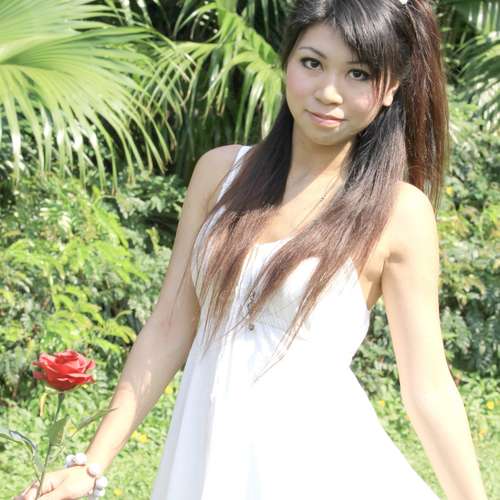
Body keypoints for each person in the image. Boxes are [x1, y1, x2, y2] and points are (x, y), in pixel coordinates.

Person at [16, 0, 489, 499]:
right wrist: (90, 465)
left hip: (320, 473)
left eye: (358, 74)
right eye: (312, 63)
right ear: (286, 61)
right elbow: (169, 326)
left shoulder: (398, 211)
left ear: (390, 88)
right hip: (204, 466)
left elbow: (427, 387)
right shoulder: (220, 174)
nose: (328, 91)